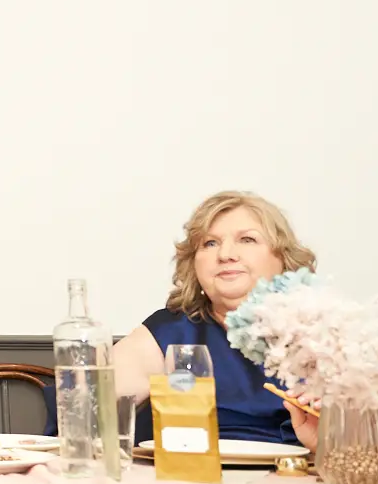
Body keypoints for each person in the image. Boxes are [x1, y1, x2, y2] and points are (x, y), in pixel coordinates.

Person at [111, 190, 321, 447]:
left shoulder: (321, 332)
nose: (226, 254)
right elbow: (87, 405)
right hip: (190, 469)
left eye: (247, 239)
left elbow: (359, 449)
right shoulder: (171, 332)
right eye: (210, 243)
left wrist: (324, 445)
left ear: (283, 258)